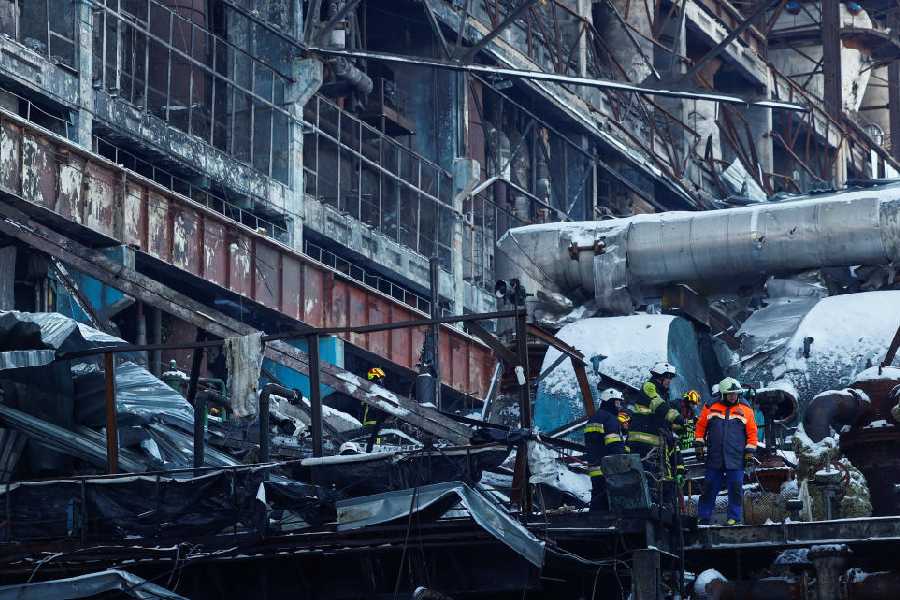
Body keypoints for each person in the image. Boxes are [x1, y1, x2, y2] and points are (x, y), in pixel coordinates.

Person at [694, 377, 758, 526]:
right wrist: (699, 444)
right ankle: (703, 517)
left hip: (735, 458)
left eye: (735, 394)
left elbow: (752, 433)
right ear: (722, 394)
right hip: (715, 457)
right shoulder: (710, 406)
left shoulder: (746, 410)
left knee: (735, 489)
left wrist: (749, 453)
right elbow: (701, 426)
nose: (733, 396)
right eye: (730, 394)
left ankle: (734, 518)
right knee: (709, 488)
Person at [628, 362, 684, 458]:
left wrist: (680, 426)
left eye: (671, 378)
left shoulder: (663, 393)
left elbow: (662, 418)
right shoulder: (649, 386)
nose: (669, 381)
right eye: (668, 377)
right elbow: (658, 405)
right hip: (642, 441)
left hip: (653, 441)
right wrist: (677, 417)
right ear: (659, 377)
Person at [584, 387, 627, 512]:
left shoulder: (594, 418)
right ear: (610, 401)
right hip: (608, 468)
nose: (619, 406)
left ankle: (593, 524)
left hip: (594, 468)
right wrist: (623, 459)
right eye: (617, 402)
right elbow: (614, 444)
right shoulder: (610, 419)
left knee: (598, 498)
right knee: (610, 501)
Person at [363, 367, 388, 451]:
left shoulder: (372, 390)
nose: (381, 381)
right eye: (379, 378)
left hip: (375, 422)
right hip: (373, 422)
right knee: (375, 444)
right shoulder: (374, 390)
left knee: (375, 443)